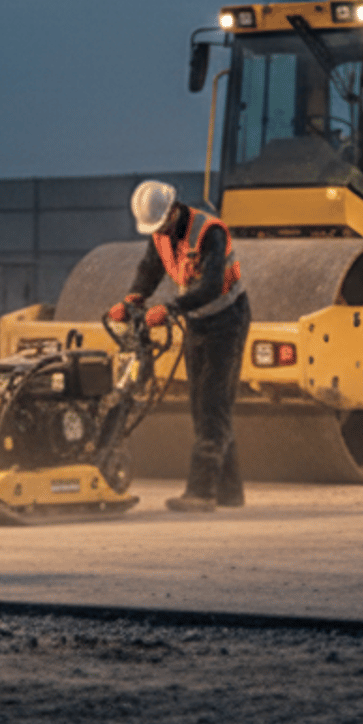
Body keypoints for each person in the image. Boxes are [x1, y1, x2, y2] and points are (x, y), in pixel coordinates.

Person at [108, 180, 250, 513]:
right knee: (202, 403)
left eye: (161, 223)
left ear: (174, 209)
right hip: (198, 322)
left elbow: (212, 286)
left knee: (212, 404)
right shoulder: (162, 233)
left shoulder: (209, 232)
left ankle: (201, 493)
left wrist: (172, 308)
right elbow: (150, 269)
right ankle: (230, 492)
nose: (158, 231)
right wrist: (132, 300)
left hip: (227, 319)